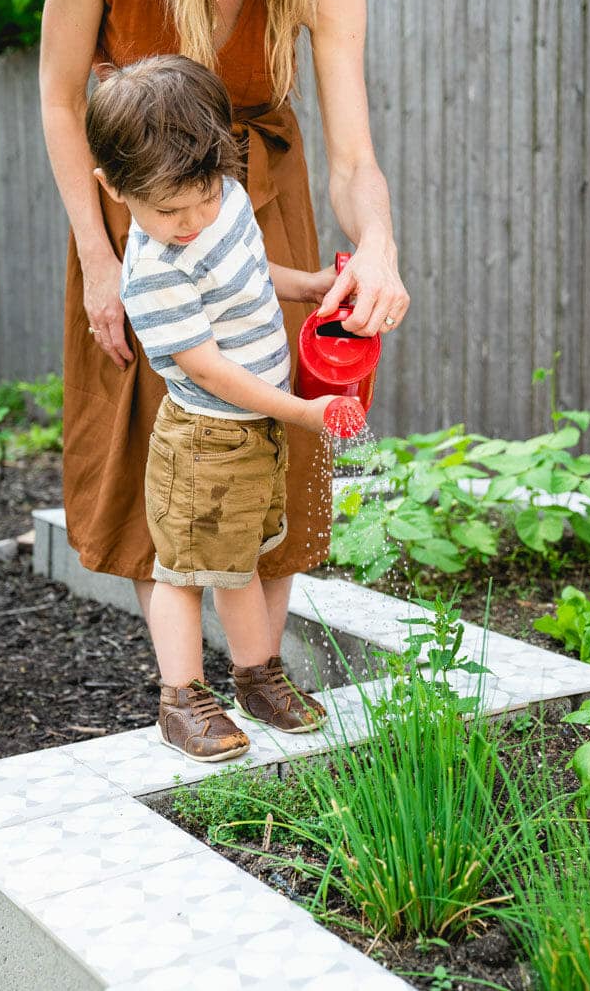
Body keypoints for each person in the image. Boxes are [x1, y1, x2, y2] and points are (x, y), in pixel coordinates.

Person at [39, 0, 410, 717]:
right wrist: (98, 253)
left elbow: (355, 155)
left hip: (259, 207)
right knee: (150, 448)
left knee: (275, 438)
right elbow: (56, 97)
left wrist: (380, 247)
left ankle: (259, 670)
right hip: (144, 217)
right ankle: (181, 684)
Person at [86, 53, 359, 758]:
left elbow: (246, 269)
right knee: (182, 570)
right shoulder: (153, 271)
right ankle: (181, 697)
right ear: (114, 188)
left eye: (204, 196)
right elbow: (206, 367)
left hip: (254, 431)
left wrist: (305, 283)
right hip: (206, 438)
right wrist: (303, 412)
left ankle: (255, 675)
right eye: (170, 209)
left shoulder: (221, 198)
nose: (193, 220)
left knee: (242, 559)